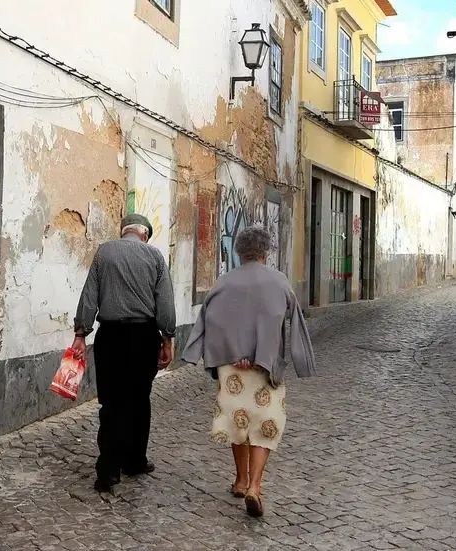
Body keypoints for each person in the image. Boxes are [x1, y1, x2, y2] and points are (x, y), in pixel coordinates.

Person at [182, 226, 317, 518]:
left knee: (238, 420)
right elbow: (287, 318)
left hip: (231, 368)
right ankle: (255, 485)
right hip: (265, 367)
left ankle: (240, 480)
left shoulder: (224, 282)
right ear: (266, 253)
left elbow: (212, 320)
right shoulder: (278, 281)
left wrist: (229, 353)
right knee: (265, 425)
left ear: (238, 252)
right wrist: (291, 357)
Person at [72, 213, 177, 492]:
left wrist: (81, 333)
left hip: (110, 337)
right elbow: (164, 301)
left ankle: (108, 469)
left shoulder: (104, 252)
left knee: (112, 402)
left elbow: (89, 295)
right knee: (139, 399)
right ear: (144, 234)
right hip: (143, 337)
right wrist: (167, 339)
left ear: (124, 232)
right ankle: (134, 460)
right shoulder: (154, 256)